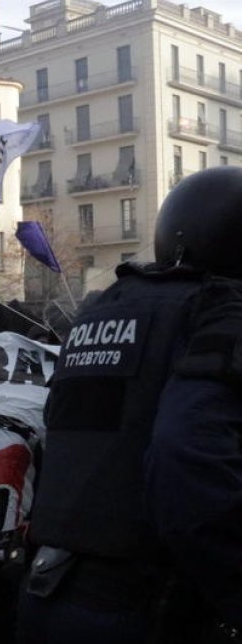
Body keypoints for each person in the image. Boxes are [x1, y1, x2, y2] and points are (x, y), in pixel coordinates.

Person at [18, 166, 242, 643]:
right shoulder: (222, 314)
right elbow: (187, 455)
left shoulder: (101, 311)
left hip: (47, 591)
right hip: (146, 604)